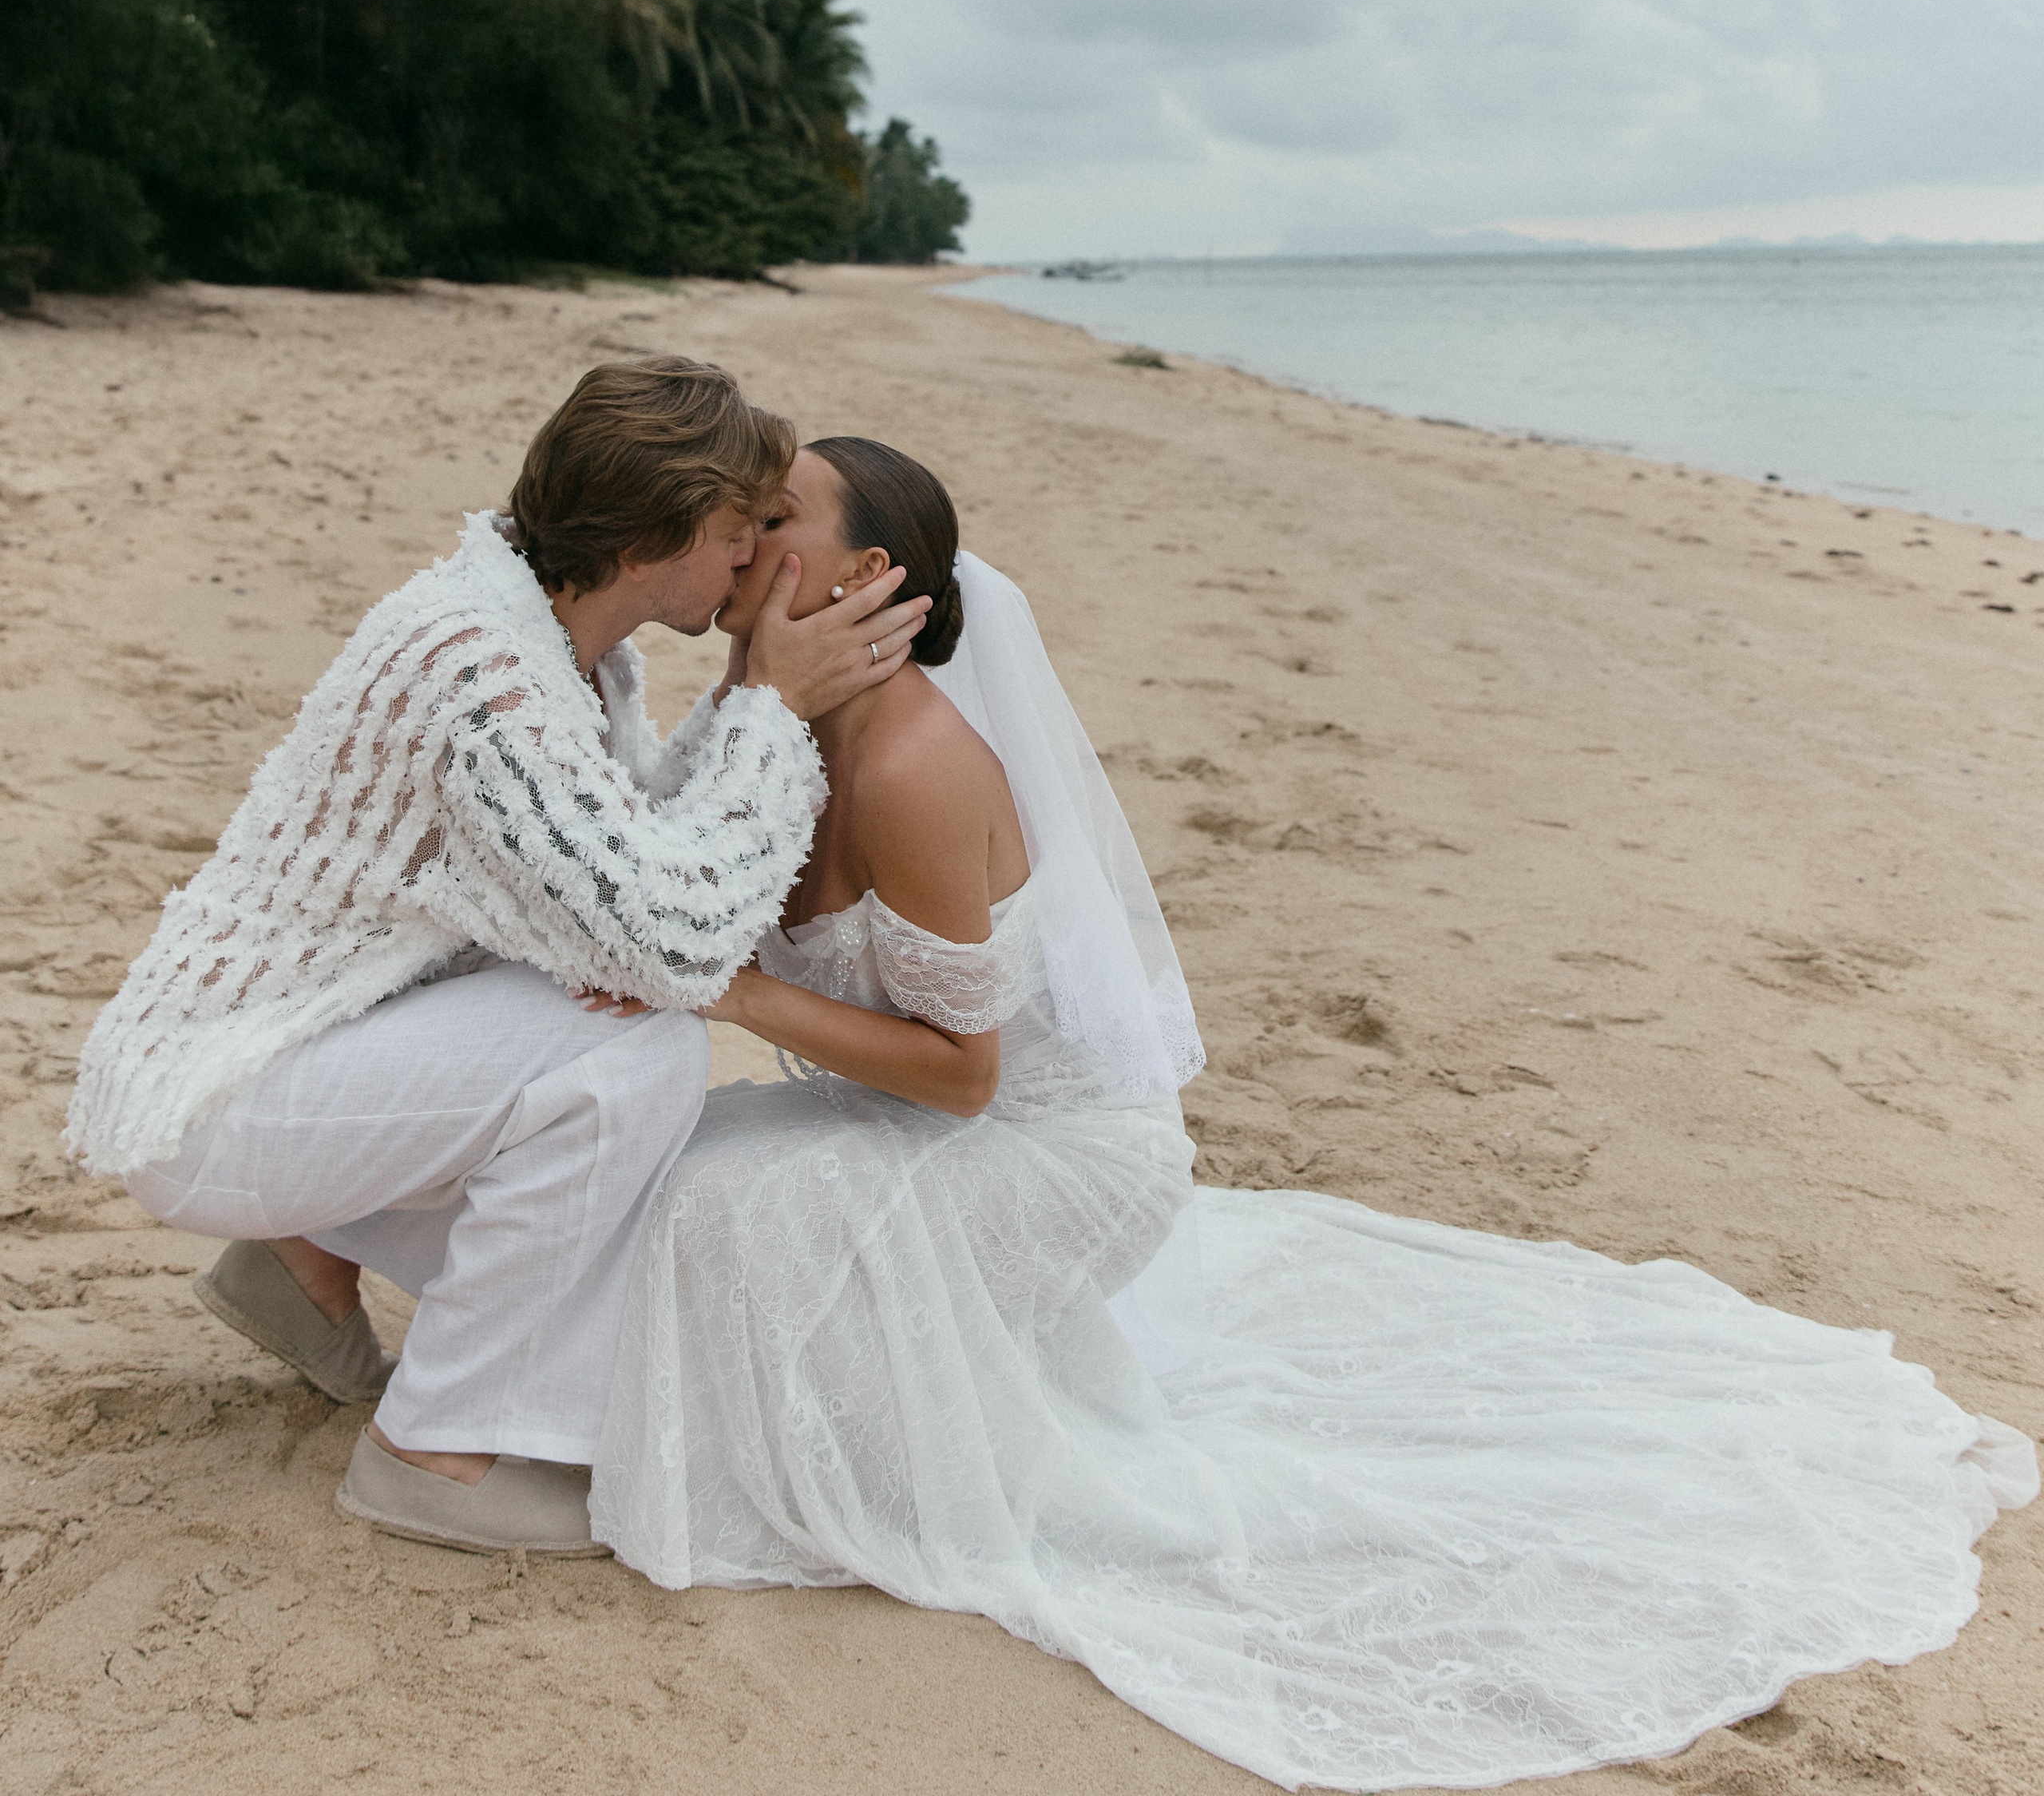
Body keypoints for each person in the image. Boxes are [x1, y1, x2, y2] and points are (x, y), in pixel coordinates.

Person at [587, 435, 2038, 1794]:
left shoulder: (911, 759)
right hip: (933, 1117)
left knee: (736, 1196)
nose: (741, 535)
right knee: (711, 1169)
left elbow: (965, 1075)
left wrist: (733, 1000)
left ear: (868, 581)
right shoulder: (763, 718)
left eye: (776, 520)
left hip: (1049, 1150)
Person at [64, 359, 929, 1558]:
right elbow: (678, 942)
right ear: (656, 534)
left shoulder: (567, 642)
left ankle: (300, 1258)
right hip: (218, 1098)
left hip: (301, 1055)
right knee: (639, 1050)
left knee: (596, 1028)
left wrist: (746, 693)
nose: (748, 562)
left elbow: (626, 866)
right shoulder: (482, 678)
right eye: (738, 532)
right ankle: (436, 1450)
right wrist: (774, 714)